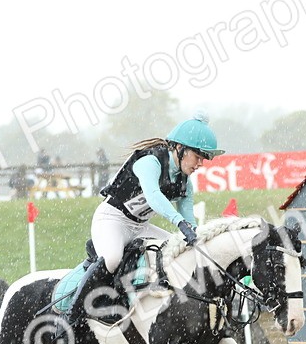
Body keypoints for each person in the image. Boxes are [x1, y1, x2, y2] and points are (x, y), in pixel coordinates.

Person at [68, 114, 224, 325]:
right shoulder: (150, 161)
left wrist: (198, 239)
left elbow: (190, 224)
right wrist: (179, 223)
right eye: (198, 156)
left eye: (204, 159)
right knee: (112, 259)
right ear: (180, 148)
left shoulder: (185, 183)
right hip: (112, 219)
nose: (200, 164)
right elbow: (153, 195)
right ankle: (73, 314)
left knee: (177, 251)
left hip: (140, 227)